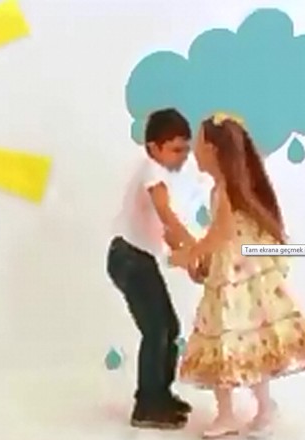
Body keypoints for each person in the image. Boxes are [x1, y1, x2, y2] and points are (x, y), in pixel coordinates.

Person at [170, 113, 305, 438]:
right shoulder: (222, 190)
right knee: (228, 339)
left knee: (238, 337)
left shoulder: (226, 191)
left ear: (213, 150)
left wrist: (191, 253)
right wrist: (202, 260)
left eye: (199, 143)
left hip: (238, 280)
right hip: (228, 274)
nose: (194, 151)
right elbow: (220, 237)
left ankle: (257, 408)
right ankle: (230, 412)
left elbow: (221, 233)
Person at [107, 108, 198, 430]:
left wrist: (187, 256)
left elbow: (163, 231)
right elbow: (165, 215)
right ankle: (147, 404)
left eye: (186, 149)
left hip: (138, 258)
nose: (183, 157)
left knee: (169, 328)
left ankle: (161, 393)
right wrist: (193, 245)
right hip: (129, 258)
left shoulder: (158, 173)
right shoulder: (152, 171)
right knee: (157, 330)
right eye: (176, 149)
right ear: (153, 147)